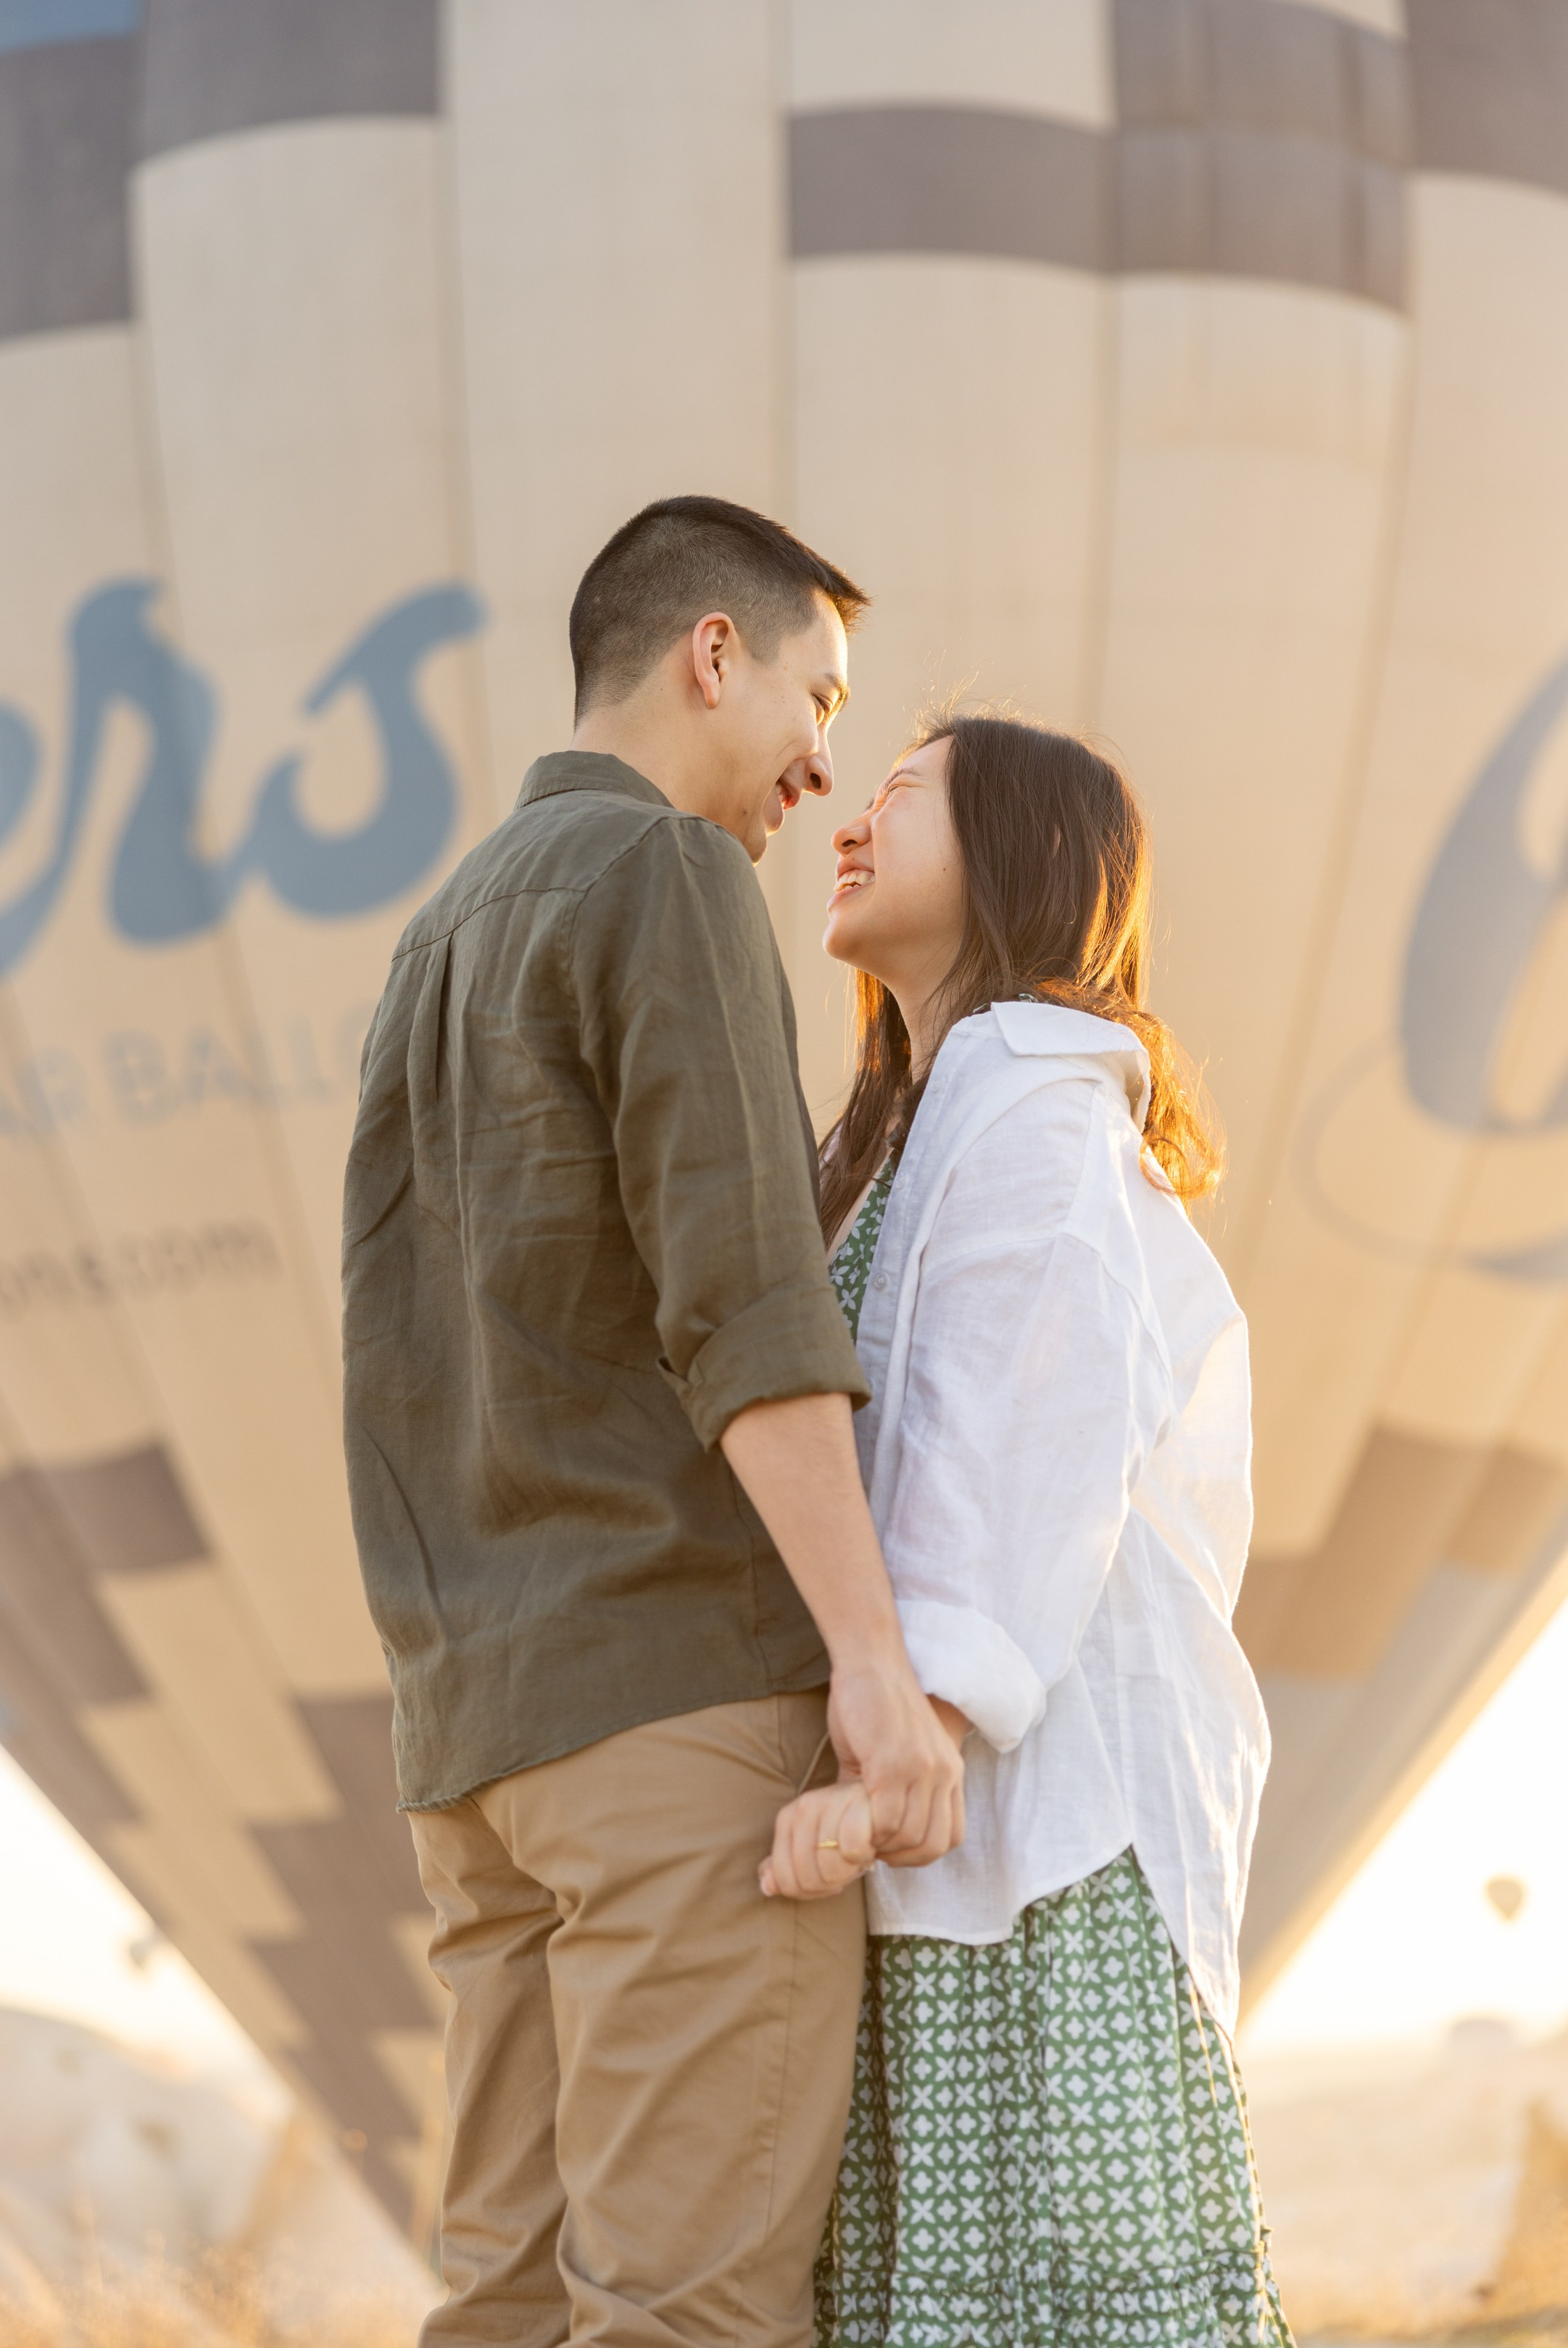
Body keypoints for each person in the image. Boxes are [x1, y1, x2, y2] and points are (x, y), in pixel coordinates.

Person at [341, 497, 963, 2348]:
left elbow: (405, 1354)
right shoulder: (667, 881)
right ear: (713, 653)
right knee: (688, 2316)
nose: (826, 763)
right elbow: (745, 1307)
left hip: (479, 1744)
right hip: (677, 1709)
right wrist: (872, 1659)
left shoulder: (436, 937)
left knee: (511, 2309)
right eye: (816, 693)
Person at [761, 713, 1292, 2348]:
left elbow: (1026, 1428)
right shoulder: (904, 1133)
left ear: (1013, 849)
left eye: (904, 793)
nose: (854, 817)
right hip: (944, 1845)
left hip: (1036, 1851)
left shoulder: (1033, 1098)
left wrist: (916, 1726)